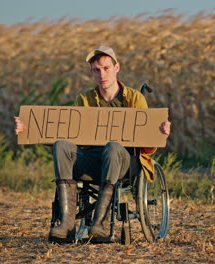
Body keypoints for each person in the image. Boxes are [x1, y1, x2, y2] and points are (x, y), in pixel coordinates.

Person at [15, 46, 171, 242]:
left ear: (116, 67)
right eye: (96, 70)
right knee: (62, 144)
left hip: (123, 163)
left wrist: (158, 133)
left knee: (113, 146)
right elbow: (65, 133)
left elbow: (146, 147)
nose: (101, 74)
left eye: (106, 68)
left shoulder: (134, 98)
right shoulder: (85, 99)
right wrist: (28, 128)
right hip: (91, 160)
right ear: (92, 72)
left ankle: (101, 223)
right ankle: (66, 225)